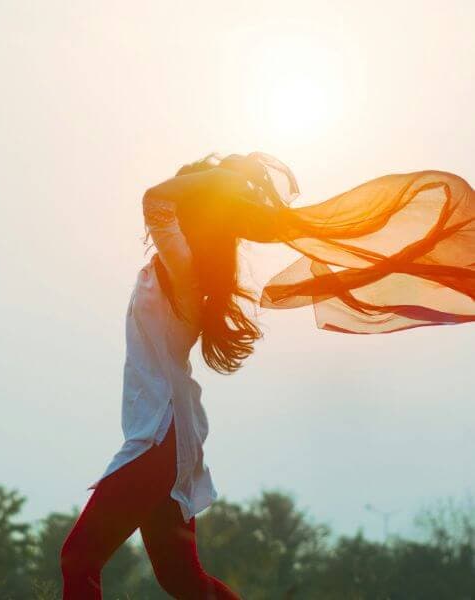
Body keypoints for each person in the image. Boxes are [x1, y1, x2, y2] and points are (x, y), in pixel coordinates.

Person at [59, 152, 475, 599]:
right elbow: (165, 202)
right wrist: (216, 181)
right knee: (182, 580)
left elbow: (155, 199)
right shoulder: (185, 265)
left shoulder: (184, 265)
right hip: (168, 436)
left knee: (79, 558)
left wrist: (216, 179)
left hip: (160, 436)